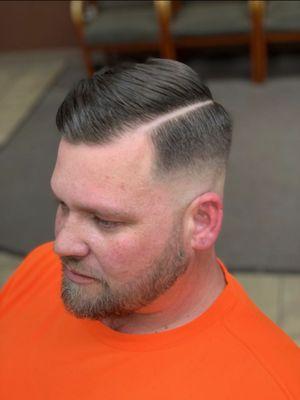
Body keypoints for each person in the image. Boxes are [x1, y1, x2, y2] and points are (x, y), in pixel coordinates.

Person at [0, 58, 299, 400]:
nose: (61, 246)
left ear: (201, 223)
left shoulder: (274, 385)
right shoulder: (38, 270)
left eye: (105, 221)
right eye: (63, 206)